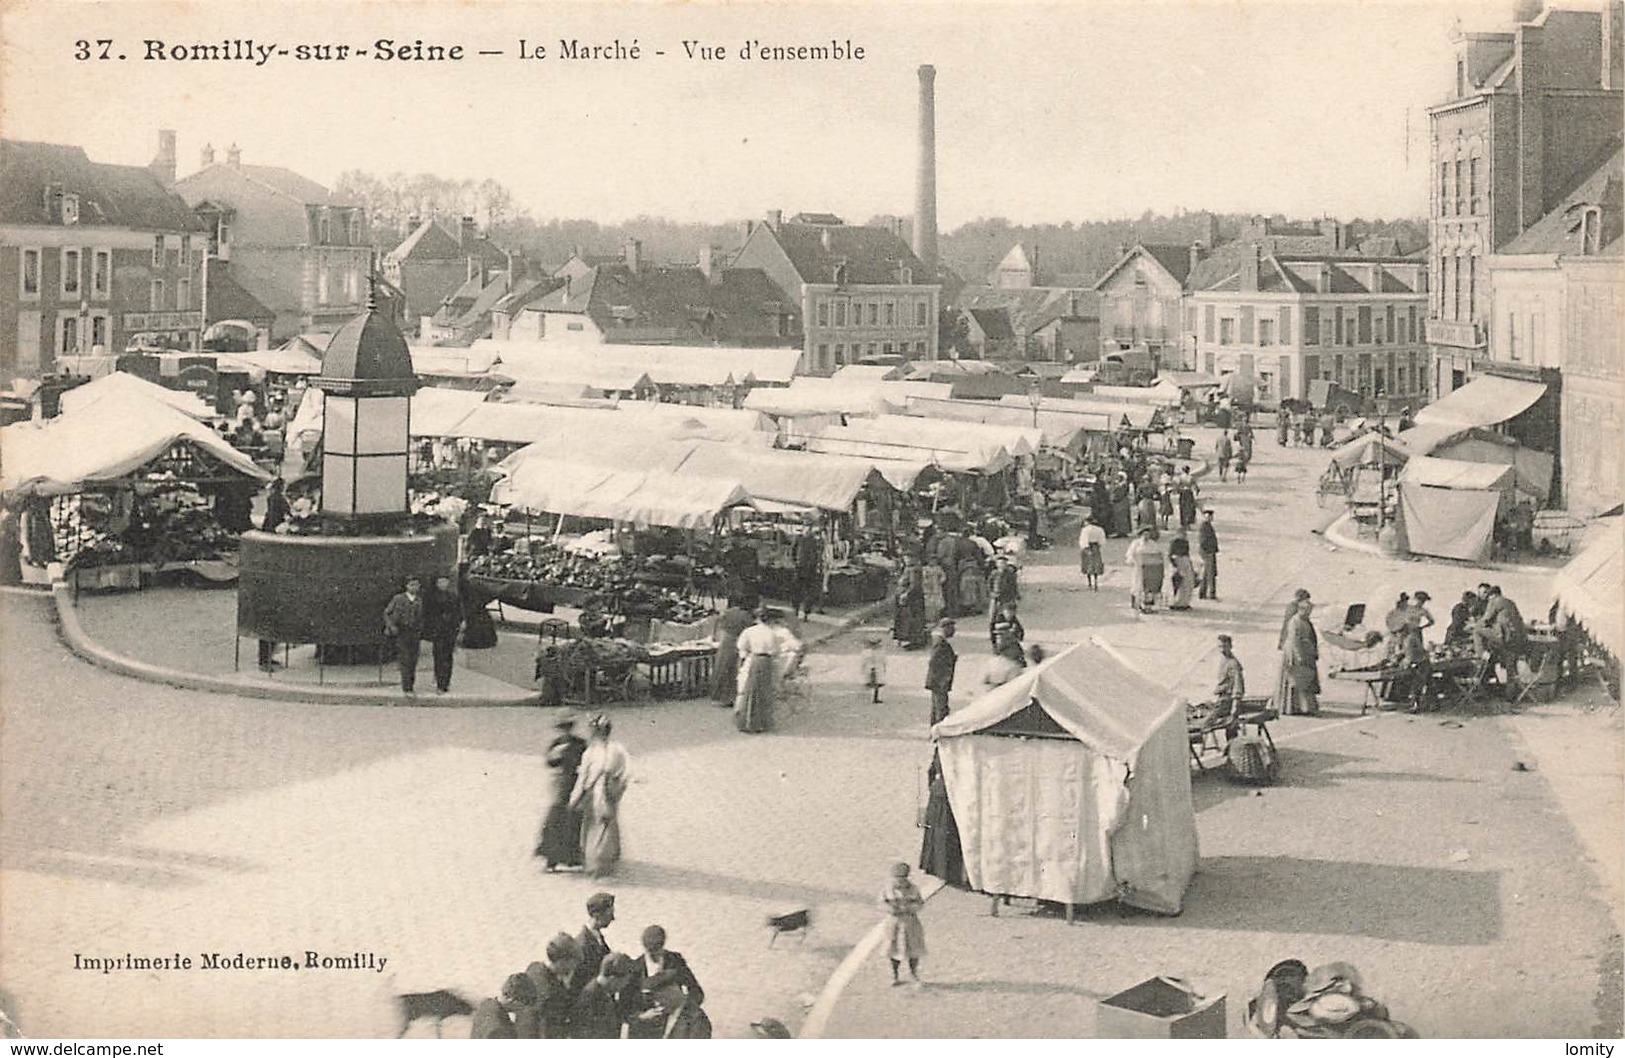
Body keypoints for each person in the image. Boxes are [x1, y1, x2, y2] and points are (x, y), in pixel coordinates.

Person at [624, 925, 708, 1040]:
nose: (653, 956)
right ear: (644, 947)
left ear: (663, 945)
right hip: (645, 1033)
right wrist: (642, 1016)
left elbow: (697, 993)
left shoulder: (675, 961)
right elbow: (624, 1008)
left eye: (657, 951)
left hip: (677, 1029)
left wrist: (681, 1012)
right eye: (650, 952)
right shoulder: (634, 968)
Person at [570, 718, 629, 877]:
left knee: (592, 827)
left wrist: (575, 797)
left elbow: (583, 778)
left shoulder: (590, 752)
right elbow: (625, 773)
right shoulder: (617, 750)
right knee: (607, 825)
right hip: (610, 793)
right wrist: (618, 789)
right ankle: (609, 859)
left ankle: (594, 863)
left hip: (594, 792)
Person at [536, 716, 587, 870]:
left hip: (575, 781)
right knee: (555, 817)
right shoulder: (557, 744)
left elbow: (587, 762)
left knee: (574, 818)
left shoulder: (580, 744)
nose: (565, 731)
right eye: (563, 728)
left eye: (567, 727)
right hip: (560, 783)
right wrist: (555, 755)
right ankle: (551, 858)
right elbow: (549, 763)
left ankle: (573, 857)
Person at [918, 749, 967, 888]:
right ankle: (950, 871)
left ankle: (935, 867)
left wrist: (933, 786)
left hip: (938, 793)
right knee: (949, 834)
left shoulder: (941, 749)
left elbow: (931, 772)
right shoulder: (961, 751)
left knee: (938, 834)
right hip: (950, 795)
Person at [525, 933, 582, 1038]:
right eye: (573, 963)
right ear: (562, 961)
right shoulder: (552, 992)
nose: (573, 969)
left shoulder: (534, 968)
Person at [734, 608, 781, 733]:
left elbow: (741, 647)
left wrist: (744, 656)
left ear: (757, 618)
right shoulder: (772, 633)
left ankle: (747, 721)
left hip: (754, 660)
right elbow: (776, 651)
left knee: (749, 690)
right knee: (764, 691)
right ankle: (762, 722)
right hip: (766, 662)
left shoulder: (749, 631)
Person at [1473, 585, 1528, 692]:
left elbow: (1485, 619)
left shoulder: (1495, 601)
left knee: (1476, 630)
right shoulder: (1511, 602)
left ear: (1492, 595)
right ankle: (1511, 694)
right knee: (1510, 667)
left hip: (1505, 637)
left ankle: (1482, 654)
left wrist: (1474, 624)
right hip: (1518, 639)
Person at [881, 862, 927, 986]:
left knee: (913, 949)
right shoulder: (888, 889)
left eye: (902, 878)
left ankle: (913, 974)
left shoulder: (913, 889)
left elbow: (920, 903)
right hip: (894, 923)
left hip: (910, 923)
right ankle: (894, 975)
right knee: (894, 948)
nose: (899, 882)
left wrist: (909, 908)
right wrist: (892, 909)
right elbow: (881, 903)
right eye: (897, 878)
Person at [571, 953, 633, 1039]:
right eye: (624, 981)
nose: (624, 986)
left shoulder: (603, 992)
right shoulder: (591, 997)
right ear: (613, 978)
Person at [383, 577, 425, 694]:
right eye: (411, 585)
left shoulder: (419, 600)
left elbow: (421, 617)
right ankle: (407, 686)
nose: (414, 587)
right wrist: (391, 626)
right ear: (406, 586)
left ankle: (411, 683)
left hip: (414, 632)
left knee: (413, 659)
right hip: (401, 631)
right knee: (405, 658)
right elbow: (387, 613)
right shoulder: (398, 598)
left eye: (416, 585)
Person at [571, 892, 617, 997]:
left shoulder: (597, 938)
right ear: (597, 915)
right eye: (610, 914)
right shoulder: (582, 944)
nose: (613, 918)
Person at [423, 573, 462, 694]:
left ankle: (446, 681)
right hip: (437, 631)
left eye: (445, 582)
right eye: (440, 582)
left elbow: (458, 613)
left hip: (450, 630)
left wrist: (457, 625)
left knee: (448, 656)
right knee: (439, 656)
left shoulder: (453, 596)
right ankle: (440, 683)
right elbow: (427, 614)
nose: (443, 584)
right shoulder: (430, 597)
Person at [711, 601, 755, 706]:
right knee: (732, 670)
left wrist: (715, 633)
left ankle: (717, 696)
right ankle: (729, 697)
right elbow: (749, 629)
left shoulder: (728, 612)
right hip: (737, 640)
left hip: (725, 639)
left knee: (721, 667)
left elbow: (717, 620)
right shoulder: (746, 616)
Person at [1282, 597, 1321, 715]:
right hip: (1296, 654)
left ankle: (1306, 707)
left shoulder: (1306, 621)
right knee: (1298, 681)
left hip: (1307, 653)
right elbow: (1294, 640)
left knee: (1306, 680)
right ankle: (1297, 707)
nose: (1309, 613)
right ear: (1302, 610)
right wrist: (1299, 656)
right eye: (1308, 610)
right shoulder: (1295, 621)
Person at [1274, 588, 1311, 709]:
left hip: (1296, 647)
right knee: (1295, 677)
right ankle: (1291, 705)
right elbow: (1291, 633)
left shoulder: (1300, 614)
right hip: (1293, 649)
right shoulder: (1294, 613)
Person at [472, 973, 538, 1039]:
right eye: (523, 1005)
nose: (522, 1010)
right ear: (513, 1000)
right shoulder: (501, 1029)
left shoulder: (486, 1005)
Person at [1124, 526, 1165, 611]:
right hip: (1138, 567)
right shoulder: (1135, 543)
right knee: (1137, 585)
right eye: (1144, 534)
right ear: (1141, 535)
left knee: (1149, 586)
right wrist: (1132, 561)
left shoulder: (1153, 544)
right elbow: (1129, 554)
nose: (1146, 536)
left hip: (1150, 568)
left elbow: (1159, 554)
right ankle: (1136, 603)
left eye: (1148, 534)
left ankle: (1148, 605)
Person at [925, 619, 957, 726]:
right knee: (941, 709)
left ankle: (934, 732)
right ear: (946, 628)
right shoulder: (941, 644)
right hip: (939, 682)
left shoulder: (940, 642)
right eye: (952, 628)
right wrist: (943, 680)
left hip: (937, 682)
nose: (954, 631)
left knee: (936, 709)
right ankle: (940, 733)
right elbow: (934, 662)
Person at [1214, 634, 1246, 735]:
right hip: (1222, 698)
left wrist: (1235, 706)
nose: (1222, 650)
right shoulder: (1224, 660)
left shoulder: (1233, 664)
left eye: (1225, 647)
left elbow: (1238, 685)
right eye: (1220, 647)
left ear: (1230, 646)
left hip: (1228, 701)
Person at [893, 557, 928, 650]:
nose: (906, 559)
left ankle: (914, 640)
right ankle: (909, 639)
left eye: (908, 557)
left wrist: (905, 594)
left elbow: (914, 585)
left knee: (910, 619)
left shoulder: (914, 570)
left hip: (911, 599)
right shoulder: (907, 568)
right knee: (906, 619)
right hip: (907, 598)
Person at [791, 529, 824, 620]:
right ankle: (798, 610)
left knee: (807, 592)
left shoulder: (814, 540)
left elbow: (817, 555)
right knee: (799, 590)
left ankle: (805, 612)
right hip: (802, 569)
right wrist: (796, 562)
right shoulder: (799, 539)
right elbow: (793, 551)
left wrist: (815, 564)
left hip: (809, 569)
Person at [1167, 527, 1195, 610]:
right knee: (1177, 583)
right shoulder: (1174, 542)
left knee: (1187, 583)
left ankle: (1184, 602)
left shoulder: (1185, 542)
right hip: (1177, 561)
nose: (1183, 535)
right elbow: (1170, 554)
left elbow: (1187, 553)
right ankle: (1176, 602)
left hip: (1185, 562)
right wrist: (1175, 565)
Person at [1078, 515, 1106, 591]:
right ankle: (1096, 583)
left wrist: (1085, 548)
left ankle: (1089, 583)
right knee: (1096, 564)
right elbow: (1102, 541)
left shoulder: (1085, 530)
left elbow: (1083, 540)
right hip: (1096, 547)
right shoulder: (1099, 529)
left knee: (1088, 565)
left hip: (1088, 546)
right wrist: (1099, 546)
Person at [1196, 509, 1220, 600]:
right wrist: (1208, 550)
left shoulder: (1207, 526)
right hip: (1208, 552)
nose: (1211, 518)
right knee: (1211, 573)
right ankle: (1211, 593)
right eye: (1209, 516)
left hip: (1209, 551)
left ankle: (1203, 592)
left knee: (1207, 573)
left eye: (1211, 516)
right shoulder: (1204, 527)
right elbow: (1203, 541)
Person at [860, 636, 888, 703]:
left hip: (871, 668)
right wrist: (884, 667)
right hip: (876, 668)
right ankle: (874, 697)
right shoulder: (880, 652)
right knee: (876, 683)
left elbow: (863, 661)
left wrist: (863, 668)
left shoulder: (866, 652)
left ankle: (874, 697)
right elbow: (884, 661)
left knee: (874, 683)